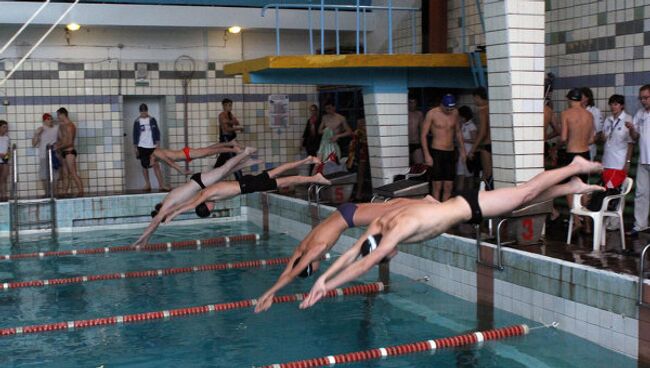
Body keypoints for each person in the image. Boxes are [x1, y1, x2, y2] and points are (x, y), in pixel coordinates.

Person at [299, 156, 604, 309]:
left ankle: (573, 167)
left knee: (525, 193)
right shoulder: (380, 225)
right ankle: (571, 186)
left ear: (387, 248)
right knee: (520, 201)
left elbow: (364, 261)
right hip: (463, 209)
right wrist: (325, 278)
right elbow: (353, 253)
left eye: (387, 255)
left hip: (470, 205)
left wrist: (327, 286)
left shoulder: (395, 232)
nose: (392, 254)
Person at [254, 196, 439, 313]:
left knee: (392, 209)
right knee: (392, 205)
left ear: (310, 265)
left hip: (348, 218)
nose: (316, 269)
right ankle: (426, 201)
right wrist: (271, 292)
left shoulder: (315, 250)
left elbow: (293, 273)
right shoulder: (301, 249)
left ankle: (428, 203)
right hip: (344, 211)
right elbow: (288, 271)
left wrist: (271, 293)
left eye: (312, 270)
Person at [132, 147, 260, 246]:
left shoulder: (167, 205)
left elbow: (154, 223)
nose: (166, 218)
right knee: (224, 172)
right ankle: (246, 162)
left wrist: (141, 238)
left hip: (200, 182)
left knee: (224, 169)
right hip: (198, 183)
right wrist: (147, 240)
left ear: (161, 213)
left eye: (163, 218)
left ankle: (245, 152)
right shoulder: (168, 204)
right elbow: (156, 223)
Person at [163, 156, 332, 222]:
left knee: (288, 180)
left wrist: (171, 216)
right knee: (279, 171)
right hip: (247, 183)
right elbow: (188, 203)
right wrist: (169, 211)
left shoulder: (206, 195)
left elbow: (189, 206)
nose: (212, 209)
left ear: (206, 207)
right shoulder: (205, 196)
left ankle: (314, 177)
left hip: (249, 186)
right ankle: (307, 160)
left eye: (209, 211)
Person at [421, 94, 467, 202]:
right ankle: (435, 210)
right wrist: (427, 155)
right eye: (447, 108)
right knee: (437, 185)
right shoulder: (432, 114)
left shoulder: (455, 113)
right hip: (436, 151)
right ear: (441, 105)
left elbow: (458, 132)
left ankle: (444, 210)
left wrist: (463, 151)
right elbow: (423, 135)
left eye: (451, 108)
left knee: (449, 185)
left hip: (450, 152)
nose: (449, 111)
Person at [561, 88, 595, 230]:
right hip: (585, 154)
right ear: (581, 99)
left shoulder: (566, 114)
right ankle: (587, 223)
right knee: (583, 188)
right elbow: (592, 139)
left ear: (569, 99)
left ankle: (576, 221)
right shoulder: (589, 115)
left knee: (569, 188)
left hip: (571, 154)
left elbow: (563, 137)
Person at [627, 85, 650, 237]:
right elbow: (635, 138)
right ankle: (640, 224)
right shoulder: (640, 113)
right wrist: (632, 129)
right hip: (643, 160)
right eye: (641, 98)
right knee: (641, 193)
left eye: (646, 97)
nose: (643, 101)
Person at [133, 103, 168, 192]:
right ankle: (147, 184)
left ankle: (161, 185)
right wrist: (135, 147)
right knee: (144, 166)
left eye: (145, 112)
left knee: (156, 165)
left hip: (152, 146)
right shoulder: (137, 122)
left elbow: (157, 132)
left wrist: (158, 144)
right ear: (140, 112)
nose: (143, 114)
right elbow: (135, 135)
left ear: (147, 111)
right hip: (141, 146)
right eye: (142, 112)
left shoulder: (152, 120)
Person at [152, 142, 241, 176]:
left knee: (210, 151)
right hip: (187, 156)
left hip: (188, 153)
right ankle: (230, 143)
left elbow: (170, 162)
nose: (153, 164)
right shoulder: (156, 156)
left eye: (151, 164)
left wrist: (181, 170)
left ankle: (233, 149)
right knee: (209, 149)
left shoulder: (156, 152)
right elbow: (169, 162)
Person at [54, 107, 83, 197]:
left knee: (73, 173)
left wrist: (58, 147)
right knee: (65, 175)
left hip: (69, 152)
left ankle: (81, 192)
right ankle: (64, 192)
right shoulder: (61, 126)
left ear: (63, 114)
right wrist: (57, 146)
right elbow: (61, 140)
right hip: (63, 152)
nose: (58, 117)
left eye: (58, 115)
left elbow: (69, 142)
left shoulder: (70, 126)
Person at [469, 87, 493, 189]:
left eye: (474, 98)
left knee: (487, 174)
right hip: (495, 144)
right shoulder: (493, 107)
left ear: (478, 97)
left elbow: (482, 132)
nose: (474, 101)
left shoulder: (483, 111)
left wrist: (472, 149)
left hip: (486, 145)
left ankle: (488, 195)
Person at [213, 98, 243, 179]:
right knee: (233, 159)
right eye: (229, 105)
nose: (230, 107)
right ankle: (240, 180)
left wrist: (232, 122)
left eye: (231, 105)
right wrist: (236, 127)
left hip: (231, 138)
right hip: (226, 139)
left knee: (222, 159)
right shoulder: (222, 115)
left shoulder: (230, 115)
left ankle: (212, 176)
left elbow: (236, 122)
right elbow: (227, 129)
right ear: (224, 106)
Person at [32, 113, 59, 196]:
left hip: (54, 155)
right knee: (44, 176)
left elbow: (61, 138)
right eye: (48, 119)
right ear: (44, 121)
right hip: (44, 155)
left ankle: (55, 194)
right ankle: (47, 193)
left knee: (55, 176)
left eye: (51, 119)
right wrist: (36, 134)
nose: (50, 120)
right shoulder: (40, 129)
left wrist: (57, 146)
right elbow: (33, 144)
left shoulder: (56, 128)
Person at [456, 106, 478, 192]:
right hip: (462, 153)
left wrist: (462, 140)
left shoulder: (471, 126)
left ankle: (470, 194)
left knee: (469, 176)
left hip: (469, 153)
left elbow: (475, 140)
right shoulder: (462, 125)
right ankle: (460, 194)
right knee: (460, 174)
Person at [581, 87, 603, 161]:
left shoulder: (595, 111)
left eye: (581, 96)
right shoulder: (576, 111)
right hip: (576, 148)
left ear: (587, 98)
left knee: (586, 171)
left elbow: (599, 133)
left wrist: (588, 143)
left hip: (589, 148)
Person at [302, 104, 322, 173]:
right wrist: (302, 144)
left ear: (317, 111)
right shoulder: (310, 120)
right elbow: (306, 133)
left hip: (318, 143)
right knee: (312, 161)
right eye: (311, 110)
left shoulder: (320, 120)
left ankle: (316, 175)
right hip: (310, 144)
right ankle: (311, 176)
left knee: (318, 161)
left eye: (314, 110)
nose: (312, 112)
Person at [408, 96, 424, 165]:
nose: (412, 105)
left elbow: (422, 130)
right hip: (405, 144)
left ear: (416, 103)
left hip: (416, 143)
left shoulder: (419, 114)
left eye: (414, 102)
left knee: (419, 164)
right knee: (404, 166)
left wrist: (423, 144)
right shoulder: (403, 113)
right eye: (410, 102)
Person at [0, 120, 10, 201]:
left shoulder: (7, 138)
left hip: (4, 160)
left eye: (6, 127)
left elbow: (8, 149)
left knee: (4, 179)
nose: (6, 129)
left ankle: (3, 196)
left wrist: (6, 157)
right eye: (4, 127)